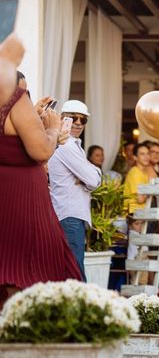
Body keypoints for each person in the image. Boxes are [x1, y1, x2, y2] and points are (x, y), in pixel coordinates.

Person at [0, 33, 82, 305]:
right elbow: (41, 150)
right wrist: (51, 128)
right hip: (21, 198)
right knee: (31, 267)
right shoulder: (13, 96)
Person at [48, 100, 102, 281]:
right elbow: (94, 181)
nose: (78, 123)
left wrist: (88, 173)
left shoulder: (70, 145)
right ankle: (81, 309)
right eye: (73, 118)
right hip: (70, 215)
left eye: (83, 120)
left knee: (68, 272)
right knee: (75, 274)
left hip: (68, 214)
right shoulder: (67, 145)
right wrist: (92, 172)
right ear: (63, 119)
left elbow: (90, 178)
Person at [123, 143, 150, 214]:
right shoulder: (135, 172)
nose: (146, 157)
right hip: (133, 214)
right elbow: (140, 199)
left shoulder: (144, 173)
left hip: (141, 213)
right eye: (142, 154)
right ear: (135, 157)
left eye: (148, 154)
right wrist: (150, 192)